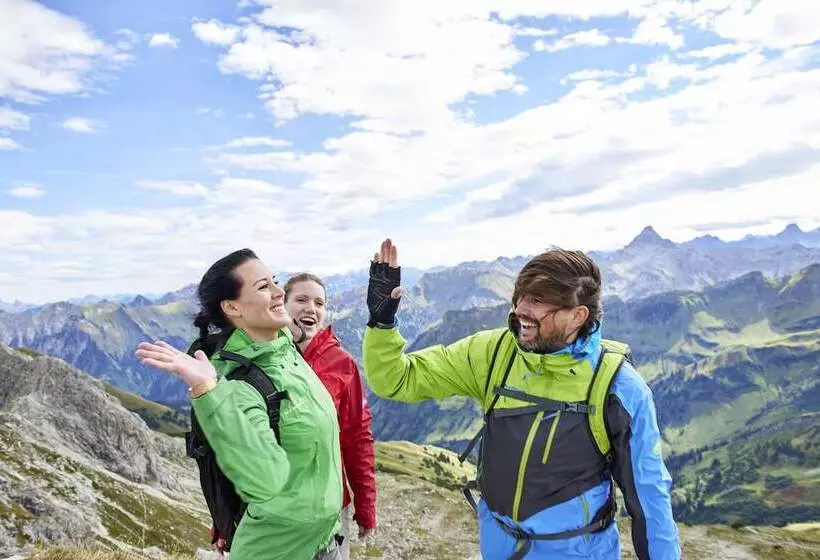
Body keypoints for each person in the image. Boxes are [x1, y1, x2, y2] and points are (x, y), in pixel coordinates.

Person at [361, 239, 681, 560]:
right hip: (499, 547)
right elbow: (395, 380)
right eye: (520, 296)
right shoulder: (495, 352)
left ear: (578, 315)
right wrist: (382, 322)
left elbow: (649, 497)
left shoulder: (617, 386)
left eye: (539, 301)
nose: (521, 310)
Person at [135, 249, 343, 560]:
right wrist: (208, 390)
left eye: (275, 281)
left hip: (323, 541)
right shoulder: (239, 381)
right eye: (263, 287)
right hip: (277, 550)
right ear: (232, 306)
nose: (278, 292)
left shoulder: (282, 345)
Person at [283, 272, 378, 558]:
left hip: (330, 506)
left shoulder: (342, 364)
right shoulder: (263, 357)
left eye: (319, 303)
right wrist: (223, 519)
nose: (311, 308)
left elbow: (357, 438)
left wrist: (365, 507)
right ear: (283, 305)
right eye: (301, 299)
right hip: (272, 505)